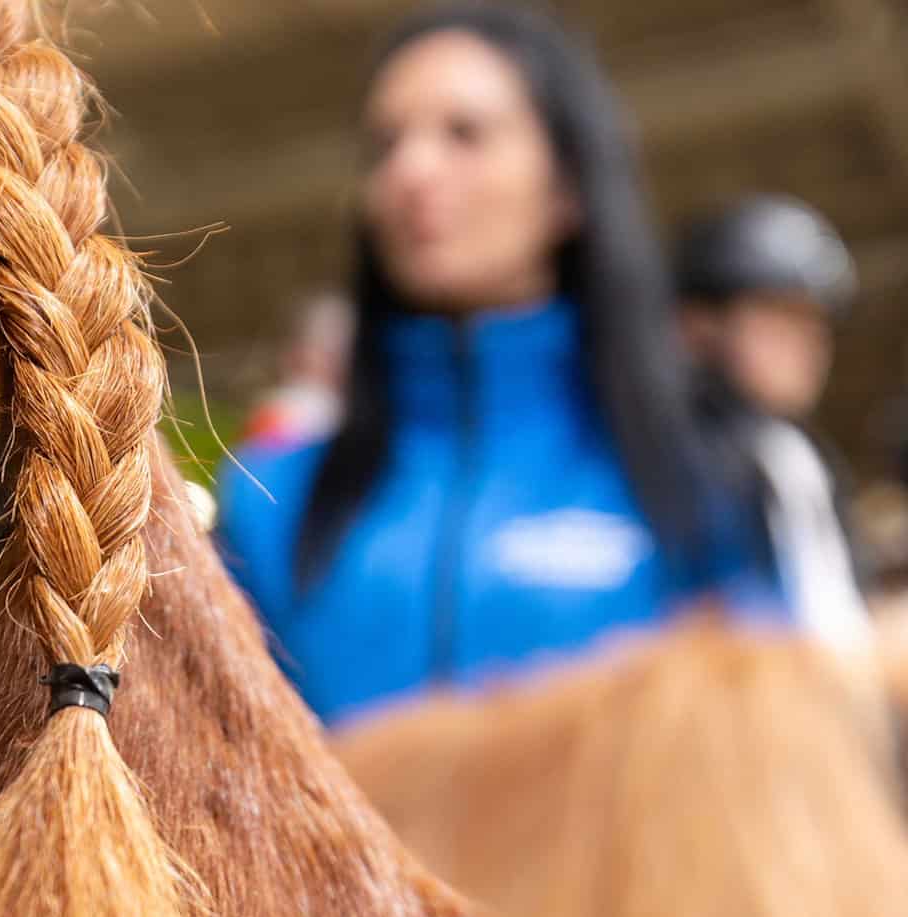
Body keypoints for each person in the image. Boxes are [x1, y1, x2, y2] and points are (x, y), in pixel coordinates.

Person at [216, 2, 781, 727]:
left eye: (466, 134)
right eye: (385, 144)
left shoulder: (704, 472)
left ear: (568, 188)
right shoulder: (272, 499)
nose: (411, 171)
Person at [677, 195, 873, 649]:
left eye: (814, 323)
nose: (809, 343)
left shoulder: (795, 452)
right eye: (779, 314)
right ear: (698, 324)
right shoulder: (682, 453)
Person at [239, 292, 355, 448]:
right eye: (327, 351)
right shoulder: (282, 411)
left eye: (343, 350)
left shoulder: (363, 409)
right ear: (296, 352)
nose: (336, 361)